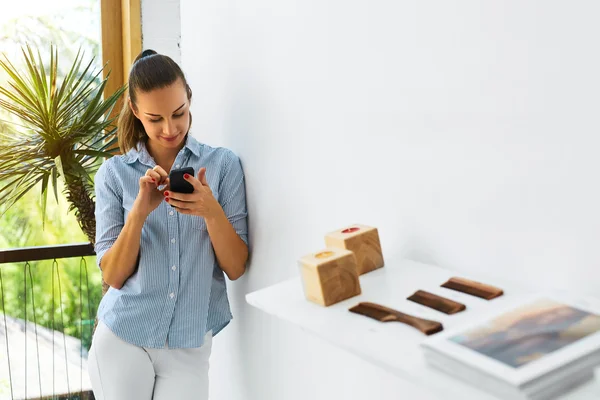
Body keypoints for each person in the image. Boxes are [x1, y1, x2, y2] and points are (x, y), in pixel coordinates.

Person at [88, 49, 249, 400]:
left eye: (179, 113)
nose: (170, 128)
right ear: (135, 112)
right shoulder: (113, 175)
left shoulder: (222, 166)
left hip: (188, 348)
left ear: (189, 97)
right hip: (123, 338)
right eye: (154, 118)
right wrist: (140, 213)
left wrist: (210, 210)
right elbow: (113, 276)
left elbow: (235, 267)